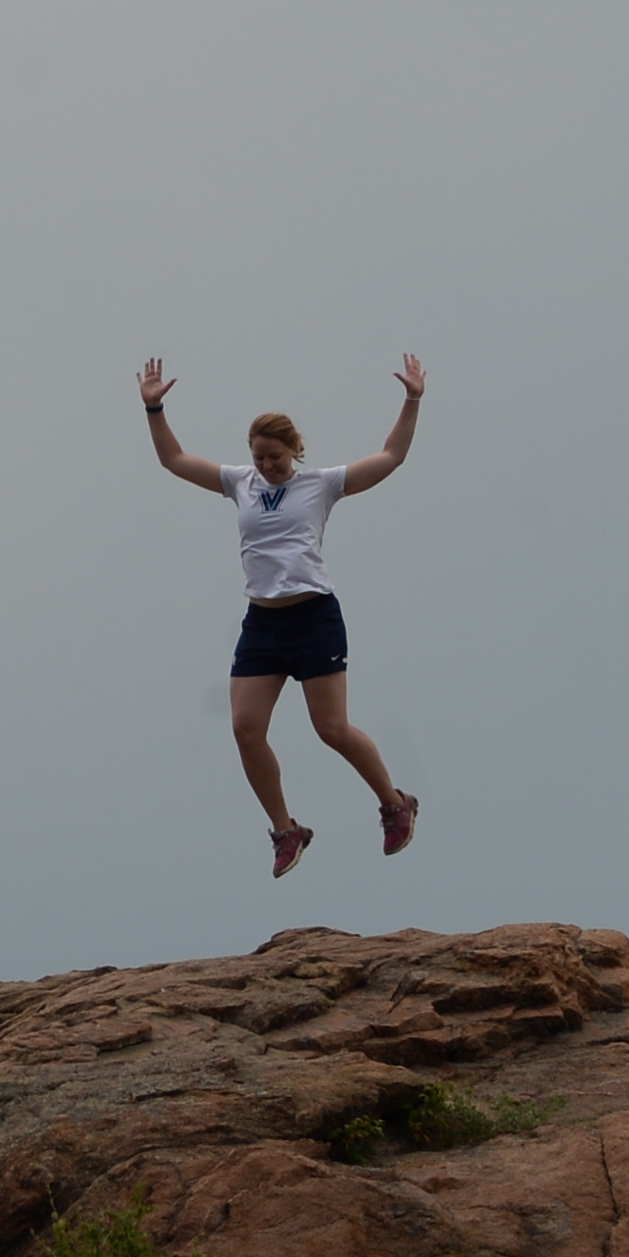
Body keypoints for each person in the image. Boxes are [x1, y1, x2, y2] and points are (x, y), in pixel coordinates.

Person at [140, 354, 423, 877]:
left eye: (275, 457)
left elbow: (391, 457)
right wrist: (154, 410)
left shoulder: (321, 484)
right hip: (263, 623)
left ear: (294, 450)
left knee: (331, 728)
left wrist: (412, 399)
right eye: (259, 458)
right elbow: (174, 460)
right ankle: (285, 830)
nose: (267, 466)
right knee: (245, 729)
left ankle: (394, 803)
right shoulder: (239, 483)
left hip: (313, 618)